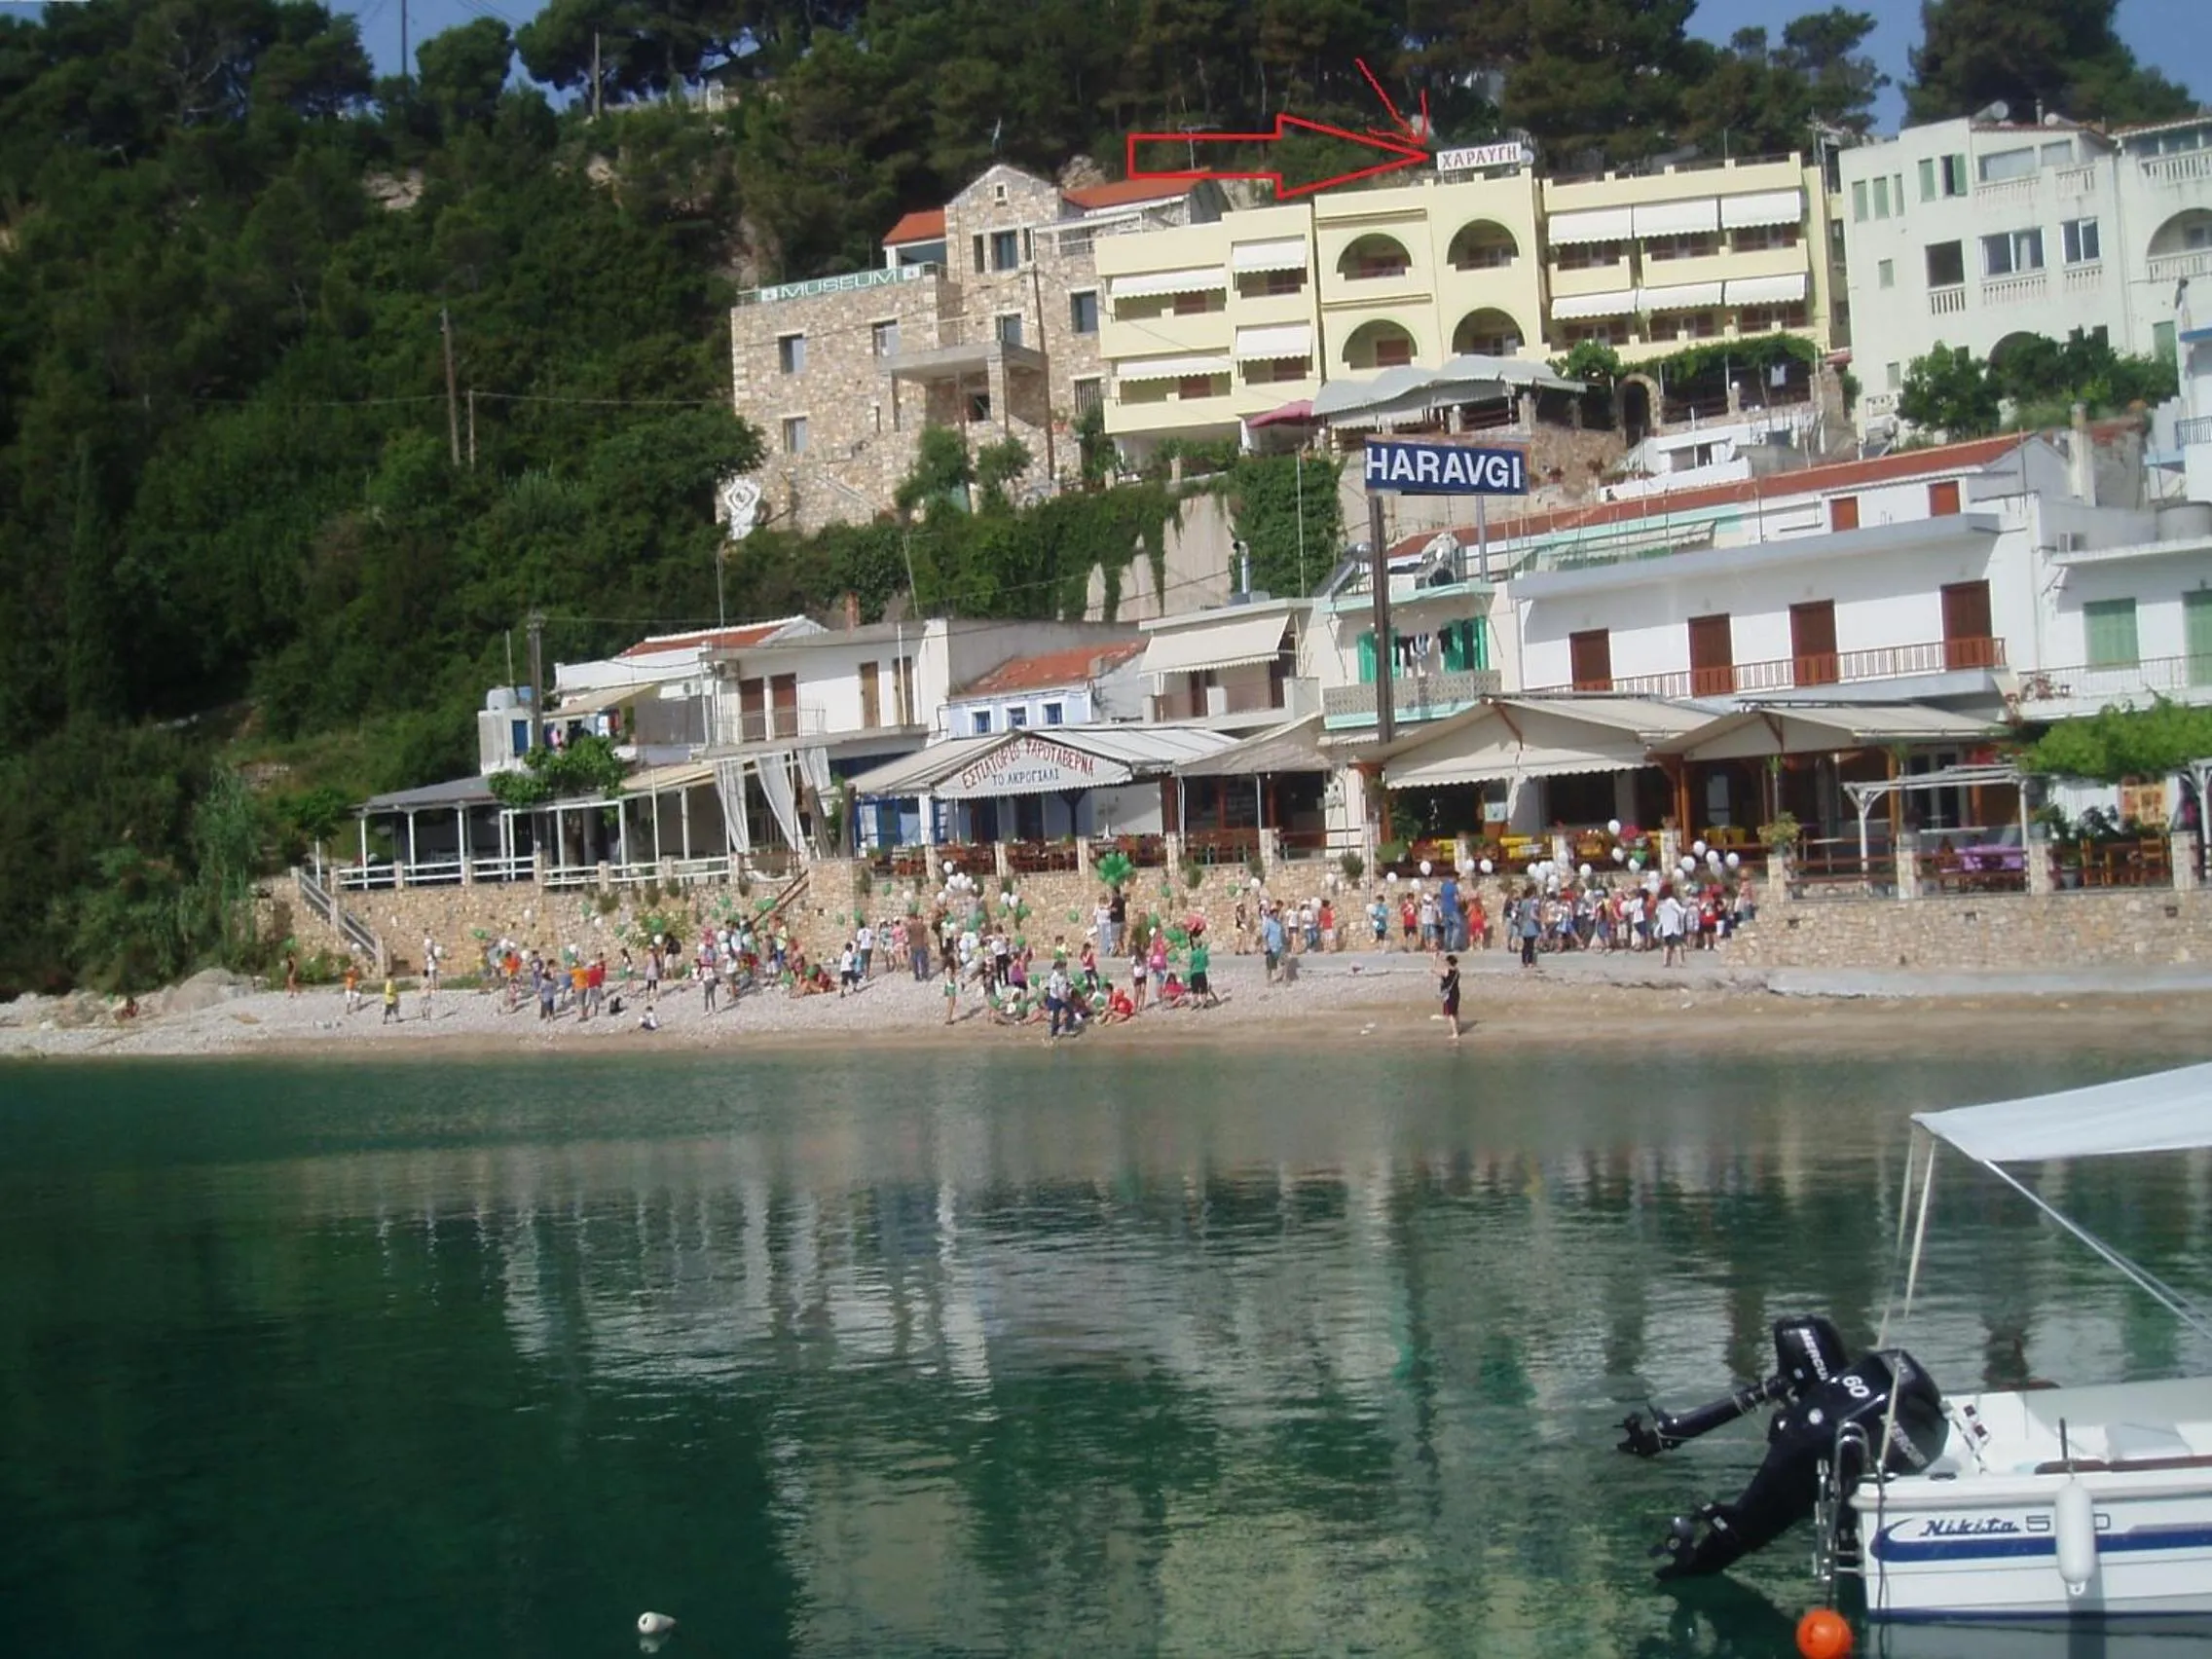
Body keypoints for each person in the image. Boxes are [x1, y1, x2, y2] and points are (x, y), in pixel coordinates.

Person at [1046, 959, 1077, 1038]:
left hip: (1064, 996)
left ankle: (1069, 1028)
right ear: (1056, 968)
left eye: (1062, 967)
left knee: (1071, 1011)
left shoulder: (1065, 973)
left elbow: (1069, 983)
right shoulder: (1053, 977)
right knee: (1056, 1015)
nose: (1061, 969)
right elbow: (1054, 989)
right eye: (1060, 968)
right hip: (1056, 998)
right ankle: (1054, 1033)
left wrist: (1068, 991)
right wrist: (1061, 997)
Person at [1658, 884, 1686, 967]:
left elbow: (1658, 914)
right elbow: (1679, 910)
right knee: (1677, 944)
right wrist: (1684, 911)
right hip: (1673, 926)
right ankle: (1680, 962)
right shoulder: (1671, 901)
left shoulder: (1661, 903)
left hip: (1665, 926)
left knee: (1667, 945)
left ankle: (1665, 962)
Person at [1436, 951, 1462, 1042]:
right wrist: (1440, 957)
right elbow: (1447, 964)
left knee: (1451, 1014)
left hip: (1449, 994)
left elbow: (1433, 970)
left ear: (1448, 962)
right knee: (1456, 1012)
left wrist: (1434, 960)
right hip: (1456, 993)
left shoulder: (1446, 971)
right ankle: (1458, 1028)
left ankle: (1455, 1033)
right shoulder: (1457, 971)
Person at [1189, 931, 1217, 1008]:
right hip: (1202, 972)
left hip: (1194, 973)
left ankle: (1194, 1003)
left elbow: (1191, 963)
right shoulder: (1204, 953)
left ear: (1195, 945)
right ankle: (1204, 1002)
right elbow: (1207, 963)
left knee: (1195, 990)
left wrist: (1191, 968)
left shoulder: (1193, 953)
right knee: (1203, 989)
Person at [1261, 904, 1286, 983]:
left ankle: (1285, 979)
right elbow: (1264, 936)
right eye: (1274, 913)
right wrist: (1267, 946)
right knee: (1270, 966)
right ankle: (1269, 980)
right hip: (1271, 947)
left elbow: (1282, 932)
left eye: (1276, 913)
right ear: (1271, 914)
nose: (1275, 914)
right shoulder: (1268, 923)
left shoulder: (1279, 923)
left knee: (1285, 962)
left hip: (1279, 946)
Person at [1517, 888, 1541, 969]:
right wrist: (1540, 919)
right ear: (1531, 894)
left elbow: (1520, 912)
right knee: (1530, 945)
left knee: (1525, 945)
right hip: (1531, 926)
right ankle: (1530, 962)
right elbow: (1532, 915)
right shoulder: (1531, 903)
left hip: (1524, 926)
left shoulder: (1523, 902)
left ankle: (1524, 962)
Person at [941, 957, 961, 1024]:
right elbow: (951, 979)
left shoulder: (946, 969)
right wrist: (955, 975)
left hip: (948, 986)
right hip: (951, 987)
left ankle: (948, 1018)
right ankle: (949, 1019)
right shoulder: (949, 969)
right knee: (951, 1003)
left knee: (950, 1003)